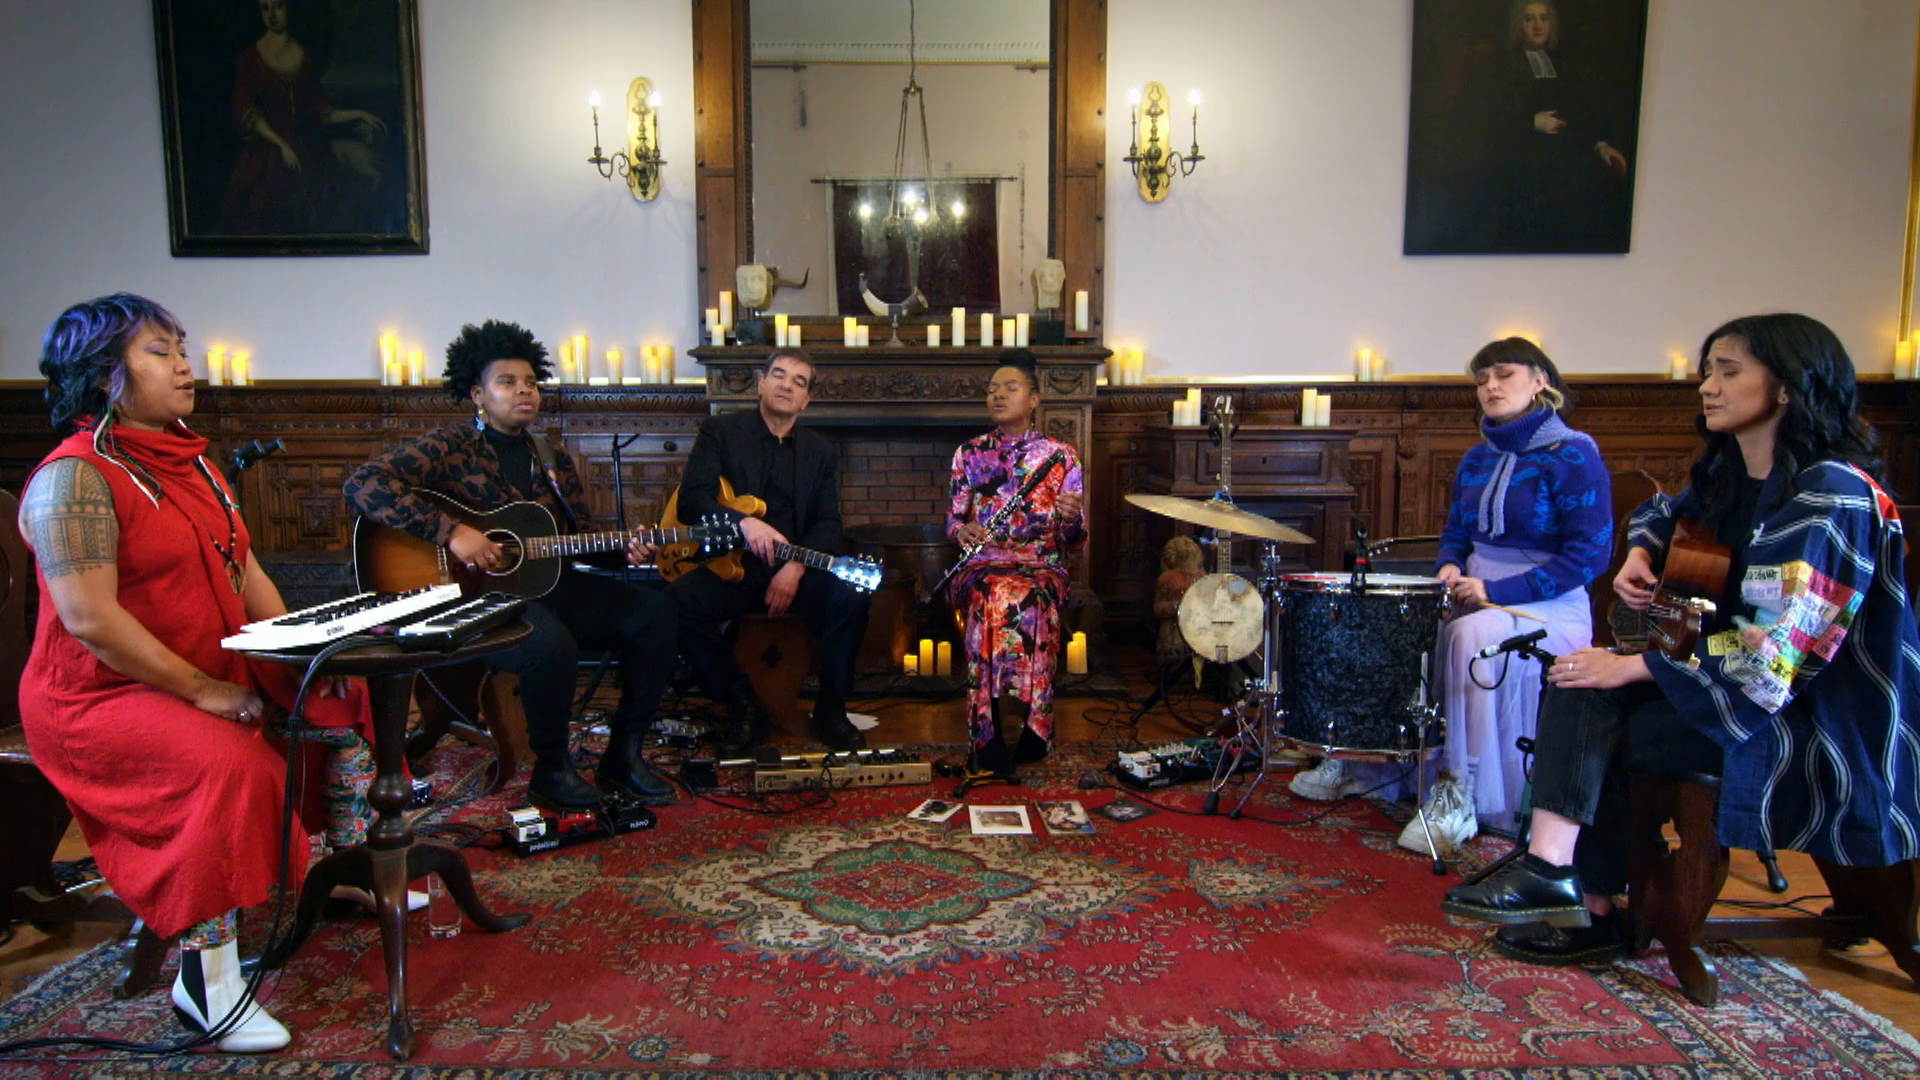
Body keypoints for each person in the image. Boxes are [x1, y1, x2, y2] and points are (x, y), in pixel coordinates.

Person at [1442, 313, 1920, 966]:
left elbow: (1775, 656)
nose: (1707, 387)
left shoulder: (1833, 495)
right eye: (1707, 372)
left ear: (1787, 387)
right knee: (1577, 677)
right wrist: (1643, 550)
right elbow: (1666, 510)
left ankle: (1570, 884)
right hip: (1719, 685)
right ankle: (1569, 886)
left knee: (1613, 713)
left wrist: (1639, 666)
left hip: (1808, 716)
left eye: (1729, 372)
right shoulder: (1733, 473)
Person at [17, 294, 384, 1052]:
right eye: (160, 351)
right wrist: (206, 693)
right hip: (100, 697)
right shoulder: (72, 478)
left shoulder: (195, 463)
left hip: (212, 666)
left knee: (341, 701)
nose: (186, 365)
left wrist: (303, 655)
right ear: (104, 374)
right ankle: (207, 982)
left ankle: (339, 874)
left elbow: (246, 569)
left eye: (182, 348)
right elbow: (89, 620)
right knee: (227, 767)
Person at [1291, 339, 1613, 859]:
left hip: (1547, 605)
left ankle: (1460, 792)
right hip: (1477, 588)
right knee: (1399, 625)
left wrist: (1495, 591)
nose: (1490, 387)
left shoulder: (1574, 454)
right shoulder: (1477, 456)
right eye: (1482, 379)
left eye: (1504, 375)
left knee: (1467, 636)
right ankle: (1365, 763)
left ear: (1540, 381)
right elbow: (1457, 533)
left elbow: (1590, 556)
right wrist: (1450, 565)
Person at [344, 320, 677, 812]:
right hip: (472, 597)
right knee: (550, 643)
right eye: (508, 382)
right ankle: (552, 771)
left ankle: (624, 756)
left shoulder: (550, 455)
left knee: (657, 613)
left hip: (546, 585)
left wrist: (622, 549)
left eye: (531, 382)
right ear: (478, 394)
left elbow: (576, 539)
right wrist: (451, 532)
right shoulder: (448, 447)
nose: (524, 391)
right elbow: (363, 484)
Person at [668, 347, 870, 756]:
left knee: (854, 593)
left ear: (806, 399)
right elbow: (692, 501)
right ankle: (744, 705)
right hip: (735, 566)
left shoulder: (820, 451)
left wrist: (795, 567)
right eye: (778, 375)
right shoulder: (720, 432)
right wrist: (742, 523)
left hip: (797, 570)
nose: (786, 385)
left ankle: (831, 711)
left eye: (799, 382)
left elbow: (829, 524)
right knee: (674, 605)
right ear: (761, 384)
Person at [945, 350, 1087, 774]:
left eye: (1010, 388)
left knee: (1035, 598)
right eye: (992, 389)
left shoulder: (1061, 456)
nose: (999, 395)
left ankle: (1036, 730)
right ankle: (984, 734)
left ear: (1034, 400)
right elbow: (953, 520)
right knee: (988, 594)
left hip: (1041, 566)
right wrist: (961, 532)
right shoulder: (968, 453)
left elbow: (1076, 541)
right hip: (983, 565)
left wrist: (1071, 518)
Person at [223, 0, 389, 233]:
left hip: (305, 148)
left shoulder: (303, 57)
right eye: (265, 8)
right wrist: (281, 144)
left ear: (289, 8)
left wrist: (358, 113)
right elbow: (246, 112)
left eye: (278, 6)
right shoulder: (249, 58)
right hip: (266, 152)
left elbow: (319, 111)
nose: (272, 14)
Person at [1489, 0, 1632, 252]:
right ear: (1518, 25)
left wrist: (1601, 146)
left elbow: (1582, 113)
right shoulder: (1504, 68)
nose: (1537, 25)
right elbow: (1491, 119)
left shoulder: (1563, 67)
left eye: (1543, 18)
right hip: (1523, 164)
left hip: (1563, 163)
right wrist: (1531, 122)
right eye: (1529, 19)